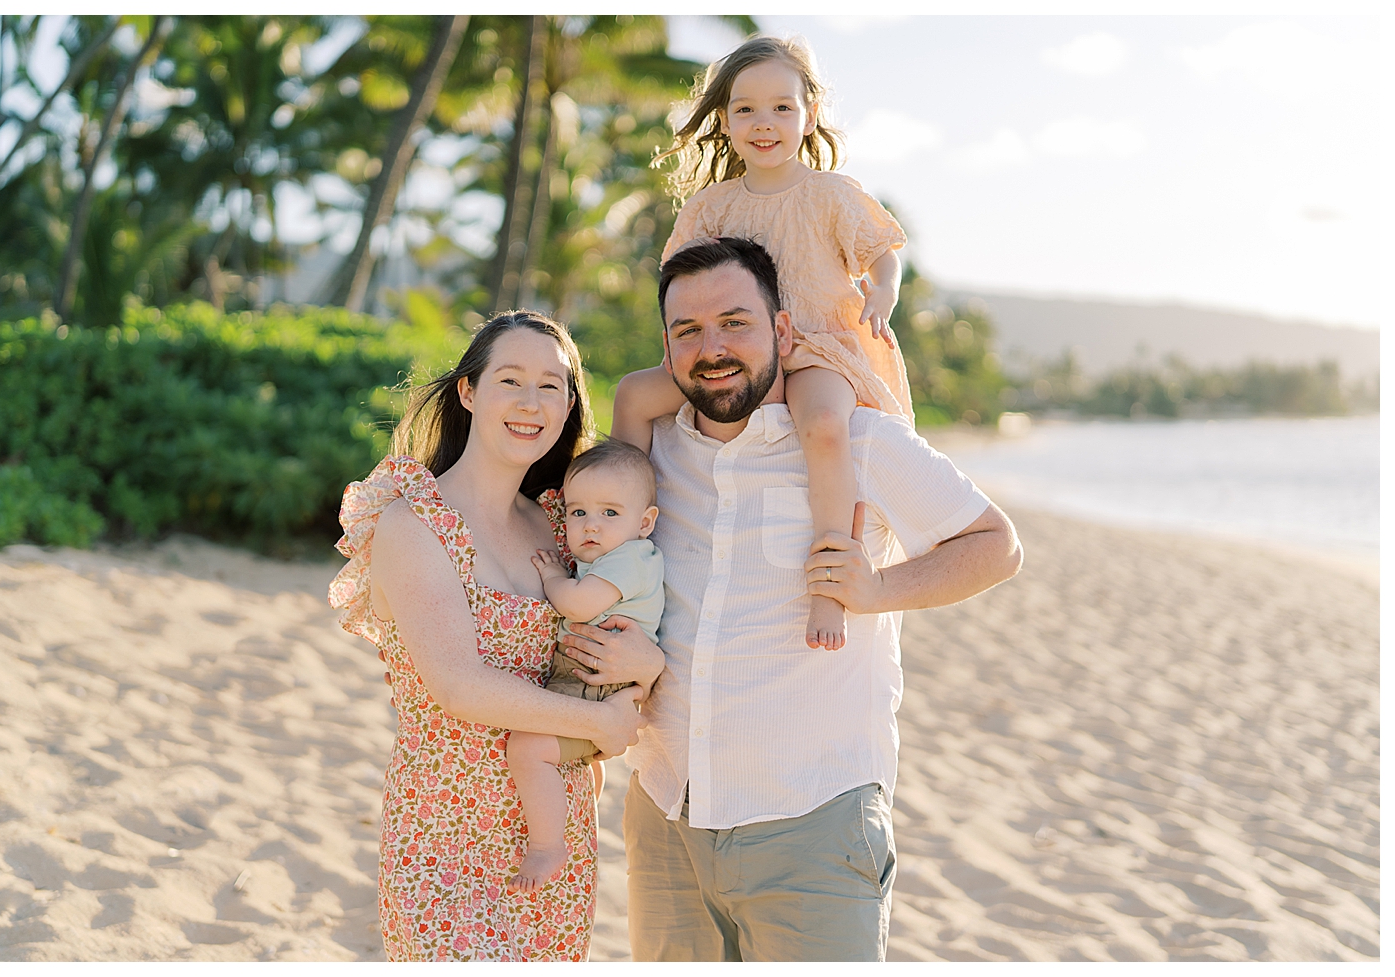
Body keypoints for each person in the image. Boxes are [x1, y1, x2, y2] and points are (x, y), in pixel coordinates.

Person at [561, 238, 1023, 962]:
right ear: (667, 348)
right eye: (688, 331)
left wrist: (874, 591)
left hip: (813, 825)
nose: (712, 347)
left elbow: (995, 544)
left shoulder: (858, 440)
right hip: (665, 814)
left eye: (735, 323)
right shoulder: (648, 459)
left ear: (781, 331)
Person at [327, 312, 659, 961]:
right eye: (511, 380)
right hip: (446, 840)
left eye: (552, 386)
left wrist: (643, 668)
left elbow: (625, 624)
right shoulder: (412, 523)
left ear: (570, 404)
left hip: (554, 839)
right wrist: (598, 725)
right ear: (469, 392)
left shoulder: (565, 525)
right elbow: (458, 684)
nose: (531, 403)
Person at [614, 34, 911, 654]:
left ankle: (831, 576)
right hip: (730, 355)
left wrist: (883, 294)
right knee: (634, 396)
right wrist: (676, 347)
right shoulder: (711, 207)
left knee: (826, 424)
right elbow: (676, 286)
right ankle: (621, 548)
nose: (764, 122)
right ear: (723, 120)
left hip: (815, 352)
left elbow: (883, 256)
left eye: (782, 107)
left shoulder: (832, 195)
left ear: (808, 115)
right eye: (745, 108)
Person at [506, 438, 665, 892]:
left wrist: (553, 574)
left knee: (526, 748)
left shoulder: (632, 559)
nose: (591, 525)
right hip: (588, 678)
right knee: (567, 757)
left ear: (645, 522)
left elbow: (577, 605)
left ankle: (547, 844)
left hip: (598, 684)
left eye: (610, 514)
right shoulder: (614, 556)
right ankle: (578, 801)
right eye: (578, 513)